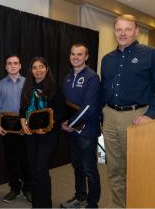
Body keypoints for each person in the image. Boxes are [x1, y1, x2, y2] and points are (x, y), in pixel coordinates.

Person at [101, 14, 155, 208]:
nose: (122, 33)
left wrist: (150, 115)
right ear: (114, 31)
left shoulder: (151, 54)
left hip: (137, 118)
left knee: (138, 169)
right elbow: (104, 90)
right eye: (119, 29)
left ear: (136, 31)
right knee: (115, 169)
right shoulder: (107, 59)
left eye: (127, 29)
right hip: (110, 117)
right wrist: (102, 114)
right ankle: (119, 205)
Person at [61, 43, 101, 208]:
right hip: (72, 131)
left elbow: (89, 107)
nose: (75, 57)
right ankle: (80, 196)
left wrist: (71, 123)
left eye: (79, 54)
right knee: (77, 166)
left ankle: (92, 204)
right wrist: (64, 121)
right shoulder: (68, 76)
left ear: (86, 57)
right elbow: (65, 103)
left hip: (87, 131)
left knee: (89, 169)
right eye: (73, 54)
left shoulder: (92, 77)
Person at [19, 57, 63, 208]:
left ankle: (45, 205)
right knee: (33, 169)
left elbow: (60, 112)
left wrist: (46, 126)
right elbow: (22, 109)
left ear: (47, 68)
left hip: (47, 135)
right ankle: (36, 205)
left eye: (41, 67)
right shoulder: (27, 86)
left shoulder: (54, 87)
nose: (38, 70)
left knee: (41, 170)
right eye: (34, 67)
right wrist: (22, 122)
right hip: (30, 135)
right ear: (31, 70)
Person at [0, 54, 32, 203]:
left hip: (26, 128)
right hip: (8, 129)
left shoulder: (29, 83)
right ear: (6, 67)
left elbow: (33, 105)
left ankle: (28, 188)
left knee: (26, 159)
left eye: (16, 63)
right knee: (11, 159)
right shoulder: (0, 85)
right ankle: (15, 188)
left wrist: (30, 124)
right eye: (9, 63)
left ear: (20, 66)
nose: (13, 66)